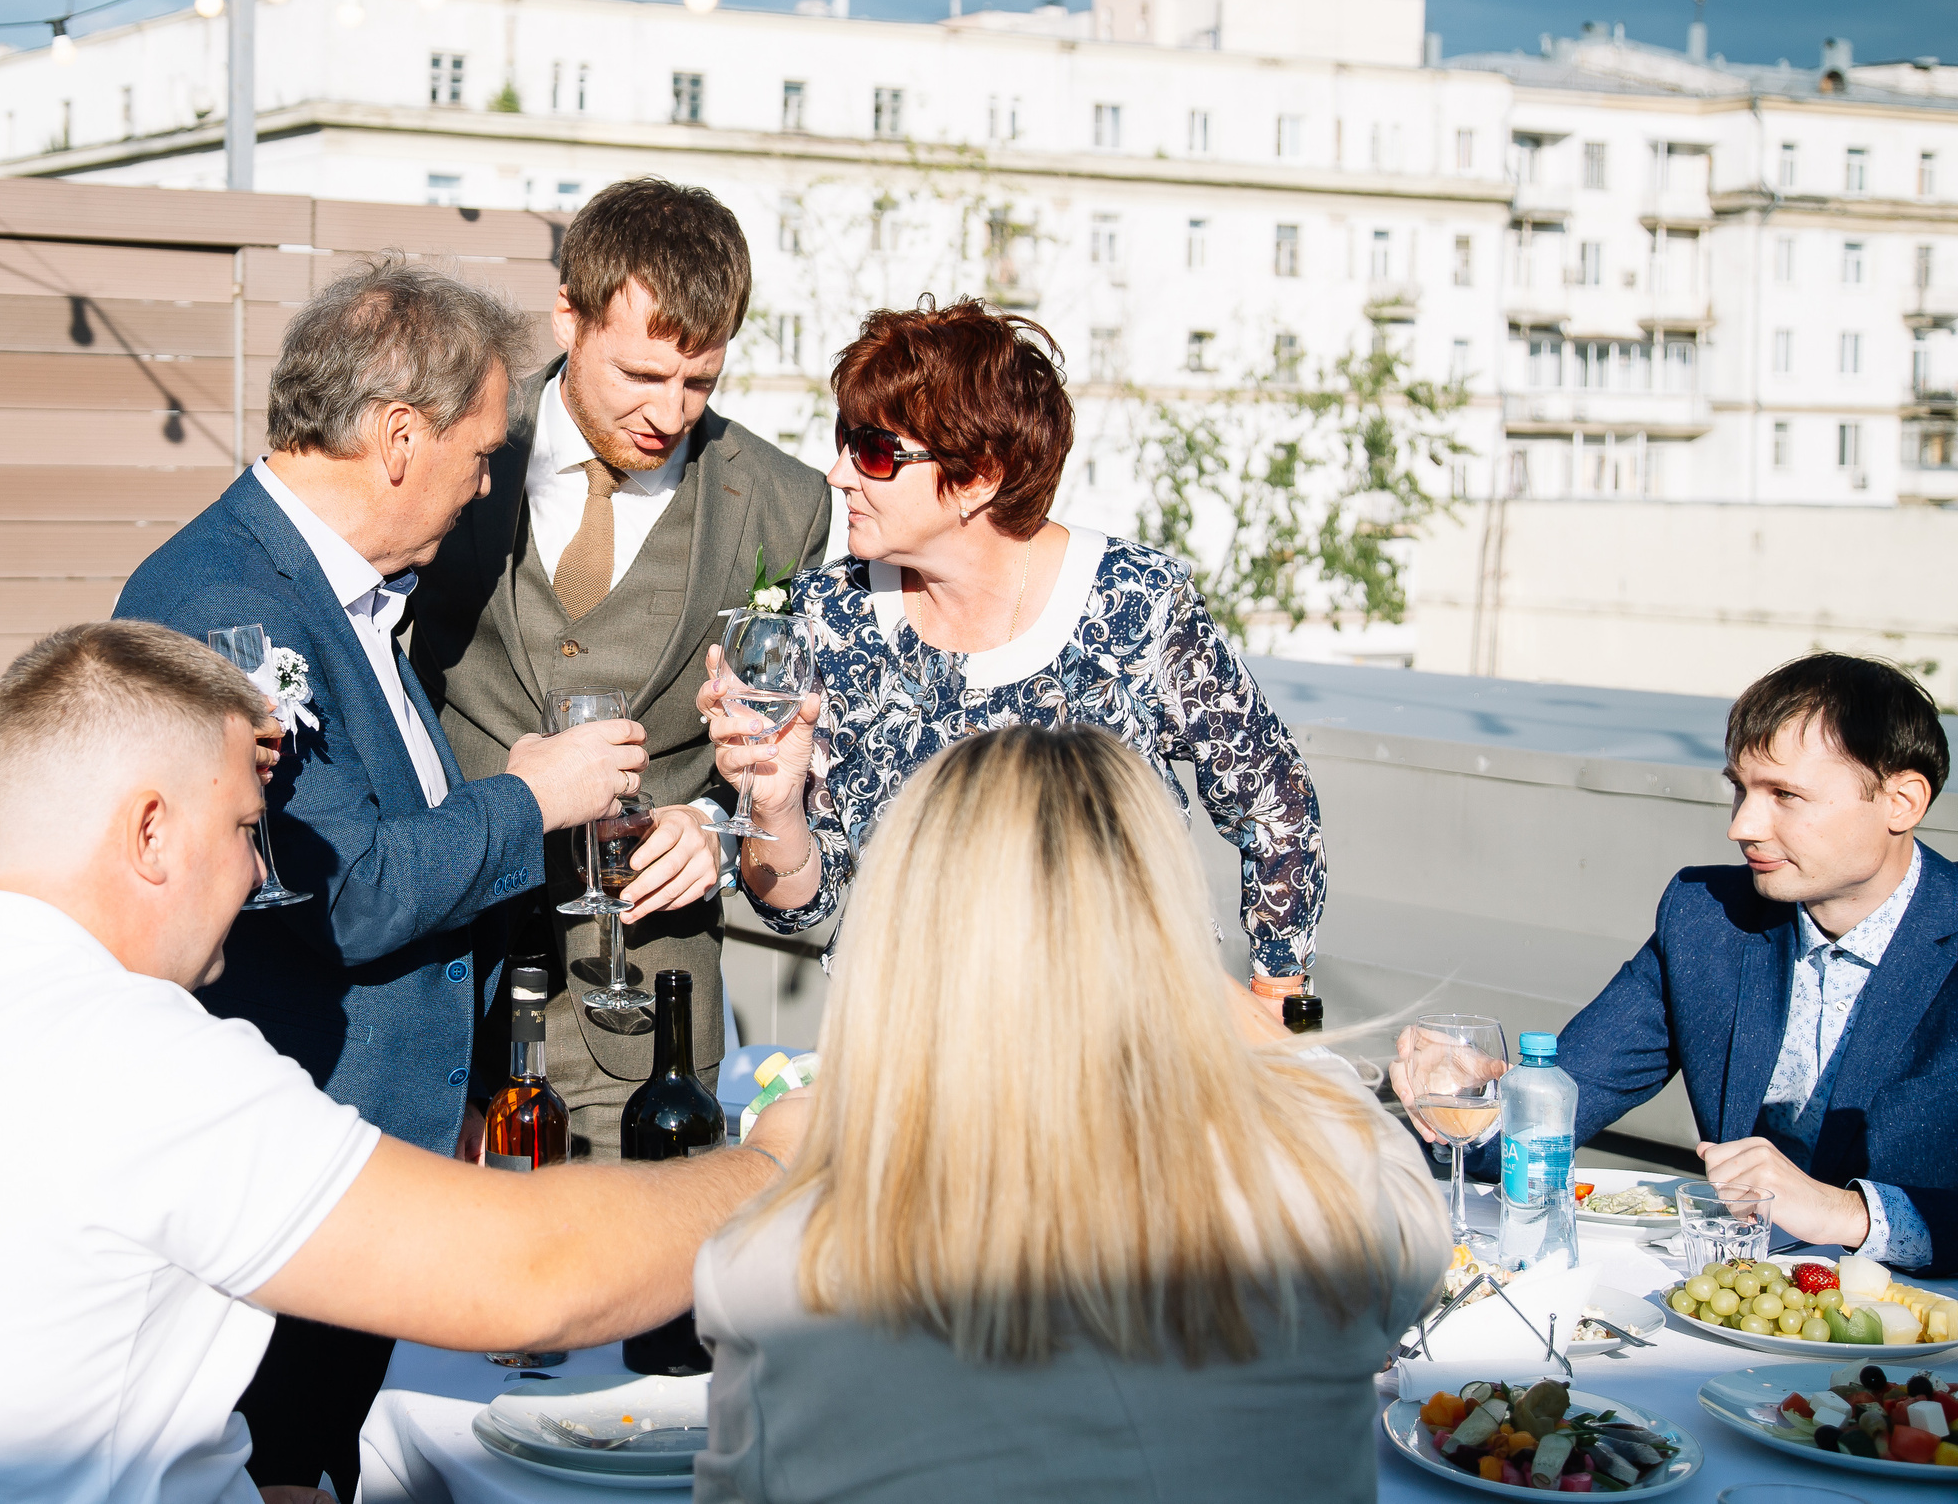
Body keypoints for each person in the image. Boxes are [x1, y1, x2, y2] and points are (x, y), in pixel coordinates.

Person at [0, 620, 802, 1504]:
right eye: (243, 828)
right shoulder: (124, 1055)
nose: (257, 877)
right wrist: (770, 1173)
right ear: (149, 833)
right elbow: (529, 1279)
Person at [113, 257, 651, 1499]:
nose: (487, 483)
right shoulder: (230, 606)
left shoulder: (337, 588)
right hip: (300, 1140)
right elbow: (341, 891)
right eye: (480, 452)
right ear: (398, 437)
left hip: (372, 1137)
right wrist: (535, 801)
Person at [692, 724, 1442, 1504]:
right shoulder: (1334, 1196)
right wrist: (1193, 975)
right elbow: (1365, 1149)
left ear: (904, 936)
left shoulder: (773, 1274)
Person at [705, 299, 1326, 1003]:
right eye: (846, 440)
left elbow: (1277, 805)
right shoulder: (825, 620)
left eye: (875, 451)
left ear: (979, 476)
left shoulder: (1135, 603)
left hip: (1122, 1054)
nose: (838, 473)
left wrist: (1278, 1004)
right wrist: (778, 811)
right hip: (915, 1053)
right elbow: (794, 905)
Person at [410, 177, 832, 1157]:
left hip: (649, 1012)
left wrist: (720, 829)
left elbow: (795, 761)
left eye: (699, 384)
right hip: (445, 992)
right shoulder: (451, 447)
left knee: (656, 1295)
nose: (668, 413)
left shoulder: (784, 504)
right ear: (569, 314)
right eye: (640, 376)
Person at [1393, 652, 1958, 1271]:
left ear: (1902, 801)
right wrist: (1477, 1099)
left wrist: (1846, 1213)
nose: (1741, 825)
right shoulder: (1706, 918)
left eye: (1785, 795)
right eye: (1740, 790)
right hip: (1736, 1312)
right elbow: (1565, 1098)